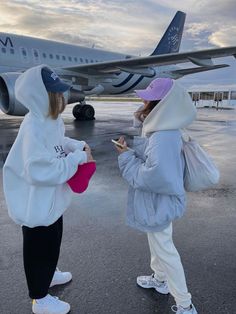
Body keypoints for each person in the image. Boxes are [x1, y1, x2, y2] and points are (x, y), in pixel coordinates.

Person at [3, 64, 94, 314]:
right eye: (56, 93)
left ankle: (49, 274)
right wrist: (75, 160)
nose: (62, 97)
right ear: (40, 96)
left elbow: (58, 142)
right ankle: (39, 298)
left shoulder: (50, 121)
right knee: (38, 248)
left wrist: (76, 145)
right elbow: (40, 170)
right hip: (36, 203)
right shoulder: (33, 126)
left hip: (50, 202)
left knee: (53, 241)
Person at [115, 78, 198, 314]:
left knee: (165, 249)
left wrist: (125, 158)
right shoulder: (165, 128)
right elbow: (156, 164)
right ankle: (160, 280)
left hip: (158, 201)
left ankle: (185, 303)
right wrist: (131, 152)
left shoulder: (162, 135)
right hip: (161, 201)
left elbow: (153, 177)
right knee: (158, 242)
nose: (143, 100)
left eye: (148, 97)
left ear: (160, 104)